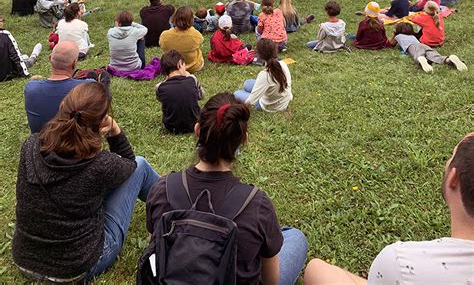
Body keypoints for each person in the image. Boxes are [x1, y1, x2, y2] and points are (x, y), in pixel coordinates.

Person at [144, 93, 308, 284]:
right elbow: (271, 281)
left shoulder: (161, 189)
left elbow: (155, 249)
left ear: (197, 130)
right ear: (243, 140)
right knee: (294, 237)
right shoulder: (257, 205)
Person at [13, 82, 159, 282]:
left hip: (25, 261)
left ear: (62, 106)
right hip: (75, 269)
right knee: (140, 165)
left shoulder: (30, 145)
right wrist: (115, 131)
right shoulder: (101, 165)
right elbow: (129, 165)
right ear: (100, 124)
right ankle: (176, 200)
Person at [303, 132, 474, 285]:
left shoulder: (401, 262)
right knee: (317, 269)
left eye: (450, 158)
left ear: (453, 178)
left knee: (315, 268)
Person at [24, 41, 95, 132]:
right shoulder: (88, 87)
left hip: (42, 144)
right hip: (76, 144)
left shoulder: (30, 88)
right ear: (74, 63)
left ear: (50, 59)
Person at [235, 38, 293, 112]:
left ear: (259, 55)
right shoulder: (283, 64)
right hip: (284, 100)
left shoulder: (264, 75)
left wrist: (240, 110)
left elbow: (250, 102)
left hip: (272, 107)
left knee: (237, 93)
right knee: (247, 83)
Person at [156, 49, 203, 134]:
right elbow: (201, 96)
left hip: (171, 128)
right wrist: (189, 75)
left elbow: (162, 99)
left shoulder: (160, 86)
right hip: (195, 124)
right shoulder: (192, 79)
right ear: (180, 64)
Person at [389, 22, 466, 73]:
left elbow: (391, 44)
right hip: (423, 45)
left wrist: (394, 34)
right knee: (434, 55)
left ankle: (421, 59)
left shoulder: (398, 36)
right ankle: (448, 59)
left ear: (398, 30)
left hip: (412, 46)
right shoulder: (413, 36)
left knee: (418, 54)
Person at [159, 6, 204, 73]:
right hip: (192, 66)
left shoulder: (165, 35)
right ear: (191, 19)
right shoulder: (195, 35)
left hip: (171, 67)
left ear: (175, 18)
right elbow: (201, 41)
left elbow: (161, 45)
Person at [0, 15, 42, 81]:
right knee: (27, 61)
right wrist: (26, 74)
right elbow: (15, 55)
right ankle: (34, 55)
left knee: (24, 56)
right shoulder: (5, 34)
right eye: (2, 21)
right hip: (6, 74)